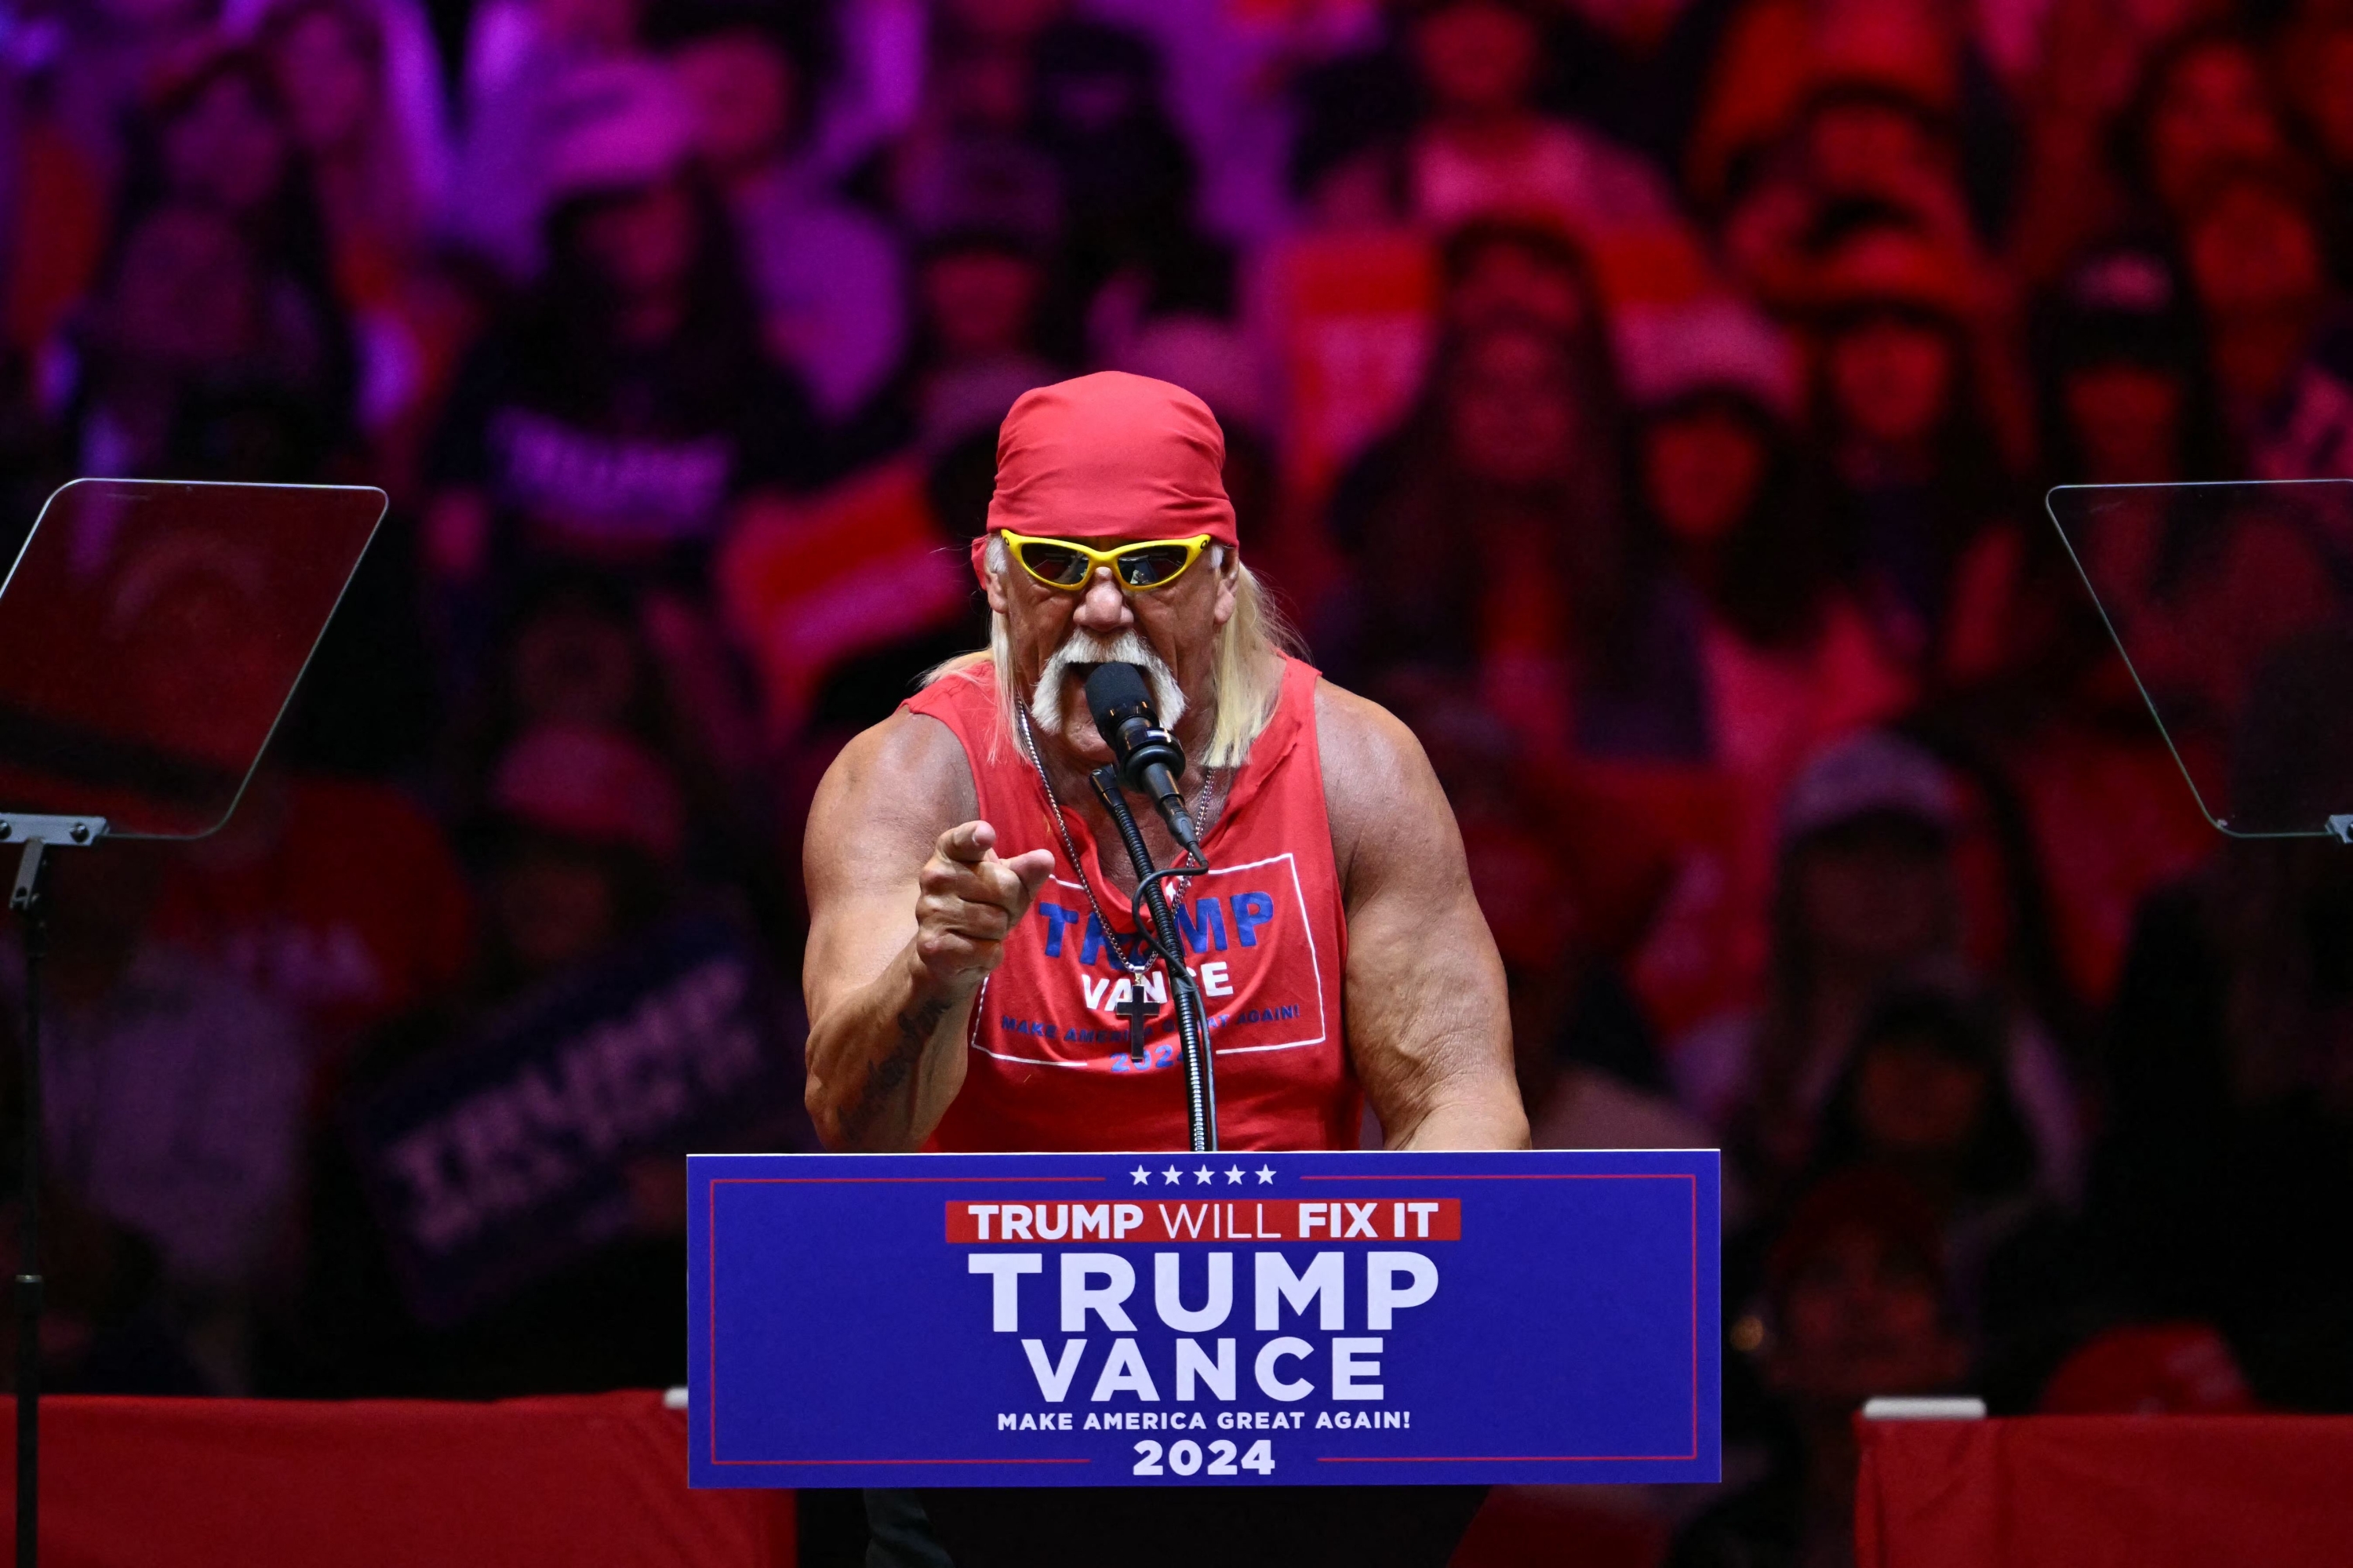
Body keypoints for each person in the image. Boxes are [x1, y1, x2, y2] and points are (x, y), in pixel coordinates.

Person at [800, 370, 1523, 1565]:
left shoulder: (1356, 768)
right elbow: (852, 1127)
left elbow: (1464, 1102)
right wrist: (930, 977)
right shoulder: (908, 783)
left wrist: (1361, 1299)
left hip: (1288, 1376)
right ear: (990, 572)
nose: (1097, 611)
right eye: (1052, 564)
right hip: (982, 1381)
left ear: (1222, 576)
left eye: (1148, 568)